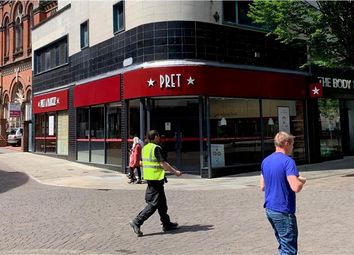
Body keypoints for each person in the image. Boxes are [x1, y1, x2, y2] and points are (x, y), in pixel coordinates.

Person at [260, 131, 307, 255]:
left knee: (283, 245)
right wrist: (302, 181)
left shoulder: (266, 161)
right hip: (283, 210)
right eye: (292, 145)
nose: (292, 148)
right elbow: (295, 187)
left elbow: (262, 186)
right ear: (286, 143)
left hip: (270, 209)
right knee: (289, 249)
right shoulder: (288, 161)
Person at [129, 130, 182, 237]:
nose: (160, 138)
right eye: (158, 136)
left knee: (162, 203)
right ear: (156, 136)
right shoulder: (156, 148)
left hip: (150, 178)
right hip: (156, 178)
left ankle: (166, 224)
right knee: (153, 204)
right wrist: (175, 172)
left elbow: (141, 162)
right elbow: (163, 164)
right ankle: (137, 221)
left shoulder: (145, 148)